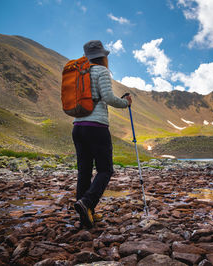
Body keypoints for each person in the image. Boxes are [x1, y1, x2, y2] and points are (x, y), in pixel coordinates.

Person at [73, 40, 132, 228]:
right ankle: (87, 203)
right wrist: (126, 103)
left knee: (84, 171)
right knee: (105, 170)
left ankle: (86, 215)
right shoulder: (101, 71)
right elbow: (107, 97)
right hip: (96, 127)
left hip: (78, 126)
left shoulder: (78, 73)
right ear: (102, 56)